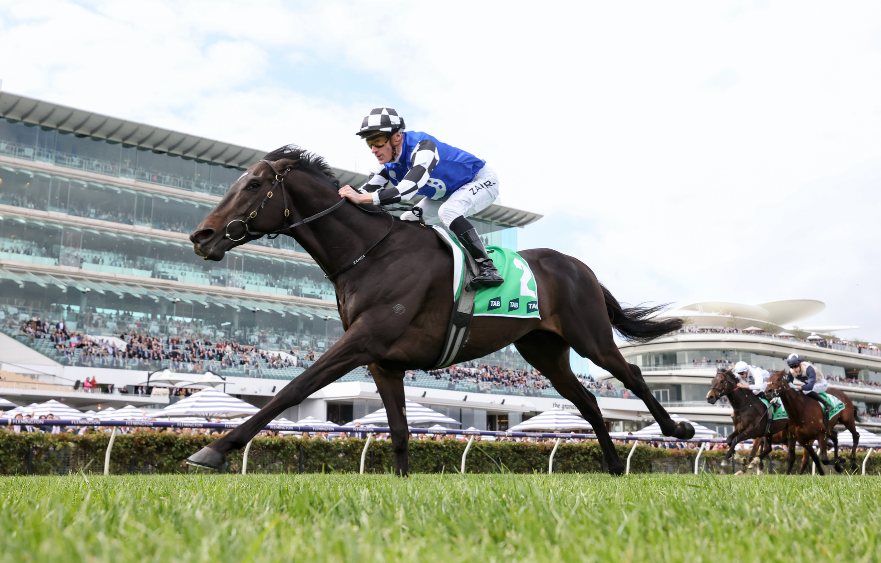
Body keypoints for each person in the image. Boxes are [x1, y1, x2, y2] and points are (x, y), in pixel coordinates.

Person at [338, 107, 503, 287]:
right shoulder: (386, 165)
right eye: (369, 143)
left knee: (448, 211)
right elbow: (364, 192)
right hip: (447, 192)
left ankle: (488, 268)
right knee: (408, 219)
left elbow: (407, 190)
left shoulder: (423, 147)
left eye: (377, 141)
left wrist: (362, 198)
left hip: (480, 178)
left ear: (397, 137)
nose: (373, 149)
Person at [786, 353, 833, 423]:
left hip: (820, 383)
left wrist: (796, 386)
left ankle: (828, 405)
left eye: (795, 366)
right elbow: (788, 382)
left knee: (805, 391)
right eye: (791, 366)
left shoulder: (808, 368)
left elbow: (810, 387)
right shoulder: (791, 371)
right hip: (810, 384)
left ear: (800, 363)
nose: (794, 369)